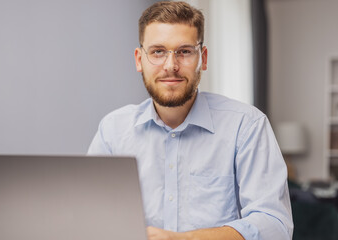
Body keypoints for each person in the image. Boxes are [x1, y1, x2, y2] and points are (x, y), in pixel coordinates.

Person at [88, 1, 293, 239]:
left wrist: (181, 239)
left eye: (184, 51)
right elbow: (91, 215)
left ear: (202, 59)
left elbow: (274, 226)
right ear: (138, 59)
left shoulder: (247, 126)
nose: (170, 66)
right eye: (157, 51)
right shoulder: (113, 130)